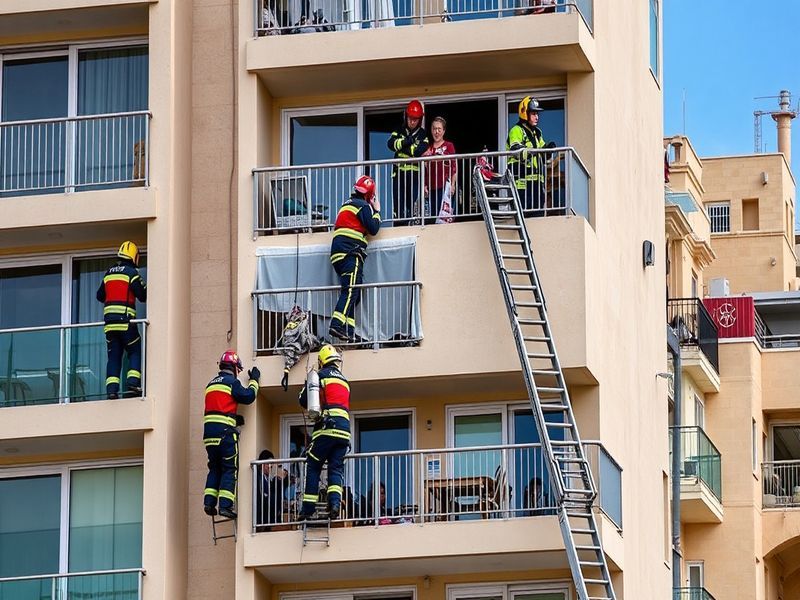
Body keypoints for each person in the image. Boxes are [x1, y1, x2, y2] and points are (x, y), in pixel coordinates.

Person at [202, 350, 260, 520]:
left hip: (209, 436)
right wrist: (254, 380)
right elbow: (248, 396)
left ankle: (209, 503)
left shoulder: (210, 384)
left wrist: (235, 418)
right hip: (225, 434)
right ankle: (225, 506)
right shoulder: (232, 383)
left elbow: (219, 408)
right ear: (234, 368)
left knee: (214, 468)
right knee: (229, 468)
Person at [298, 345, 350, 520]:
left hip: (327, 428)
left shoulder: (320, 376)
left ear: (321, 361)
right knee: (335, 469)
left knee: (313, 465)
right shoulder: (344, 380)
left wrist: (308, 382)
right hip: (344, 431)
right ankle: (335, 503)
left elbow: (304, 400)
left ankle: (307, 509)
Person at [328, 175, 381, 342]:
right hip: (352, 253)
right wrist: (377, 211)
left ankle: (349, 331)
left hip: (338, 255)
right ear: (369, 195)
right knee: (350, 291)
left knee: (354, 293)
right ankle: (336, 325)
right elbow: (373, 229)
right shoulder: (363, 206)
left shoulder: (346, 205)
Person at [96, 241, 147, 400]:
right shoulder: (131, 273)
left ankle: (112, 390)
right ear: (134, 256)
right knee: (134, 350)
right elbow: (142, 296)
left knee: (114, 357)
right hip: (125, 322)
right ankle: (132, 383)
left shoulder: (109, 273)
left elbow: (99, 296)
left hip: (109, 326)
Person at [506, 96, 553, 213]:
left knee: (537, 213)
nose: (537, 117)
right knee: (524, 213)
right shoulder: (516, 130)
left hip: (536, 182)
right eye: (533, 113)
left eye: (537, 114)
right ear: (524, 113)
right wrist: (532, 151)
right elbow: (516, 151)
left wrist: (548, 150)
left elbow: (542, 153)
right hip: (521, 181)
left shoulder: (537, 132)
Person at [387, 100, 430, 222]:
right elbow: (390, 144)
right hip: (398, 173)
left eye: (415, 119)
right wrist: (407, 142)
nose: (412, 122)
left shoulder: (423, 134)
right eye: (410, 118)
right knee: (398, 203)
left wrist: (402, 146)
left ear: (420, 120)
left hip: (414, 175)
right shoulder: (399, 130)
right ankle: (399, 225)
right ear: (406, 116)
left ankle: (410, 224)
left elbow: (418, 151)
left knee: (411, 204)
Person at [423, 116, 457, 224]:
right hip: (432, 187)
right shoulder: (428, 148)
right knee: (433, 217)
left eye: (439, 129)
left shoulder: (449, 146)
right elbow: (424, 167)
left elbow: (454, 166)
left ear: (444, 131)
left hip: (445, 187)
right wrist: (424, 185)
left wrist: (453, 184)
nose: (436, 132)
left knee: (445, 217)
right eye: (434, 129)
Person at [280, 305, 321, 391]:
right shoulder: (296, 326)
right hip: (294, 348)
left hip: (293, 349)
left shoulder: (290, 326)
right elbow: (300, 340)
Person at [256, 449, 288, 528]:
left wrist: (282, 480)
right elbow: (264, 495)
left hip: (269, 513)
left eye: (272, 464)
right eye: (269, 463)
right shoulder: (258, 477)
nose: (270, 466)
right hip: (263, 515)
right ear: (262, 463)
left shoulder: (268, 478)